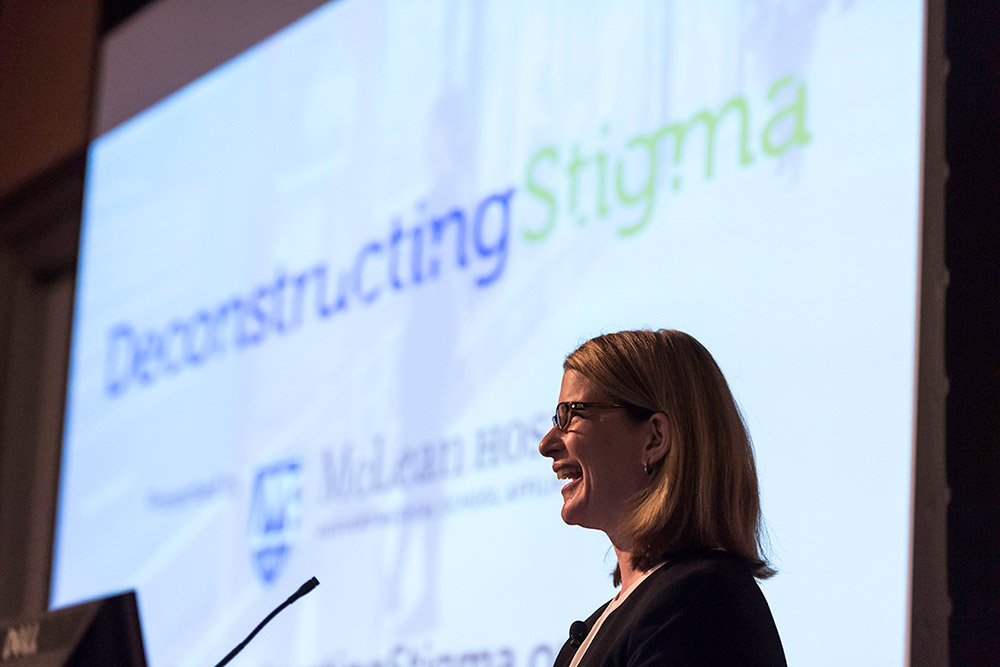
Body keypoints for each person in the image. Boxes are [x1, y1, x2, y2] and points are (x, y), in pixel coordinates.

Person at [539, 329, 786, 666]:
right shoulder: (631, 611)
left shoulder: (700, 603)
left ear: (655, 438)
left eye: (571, 415)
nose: (546, 444)